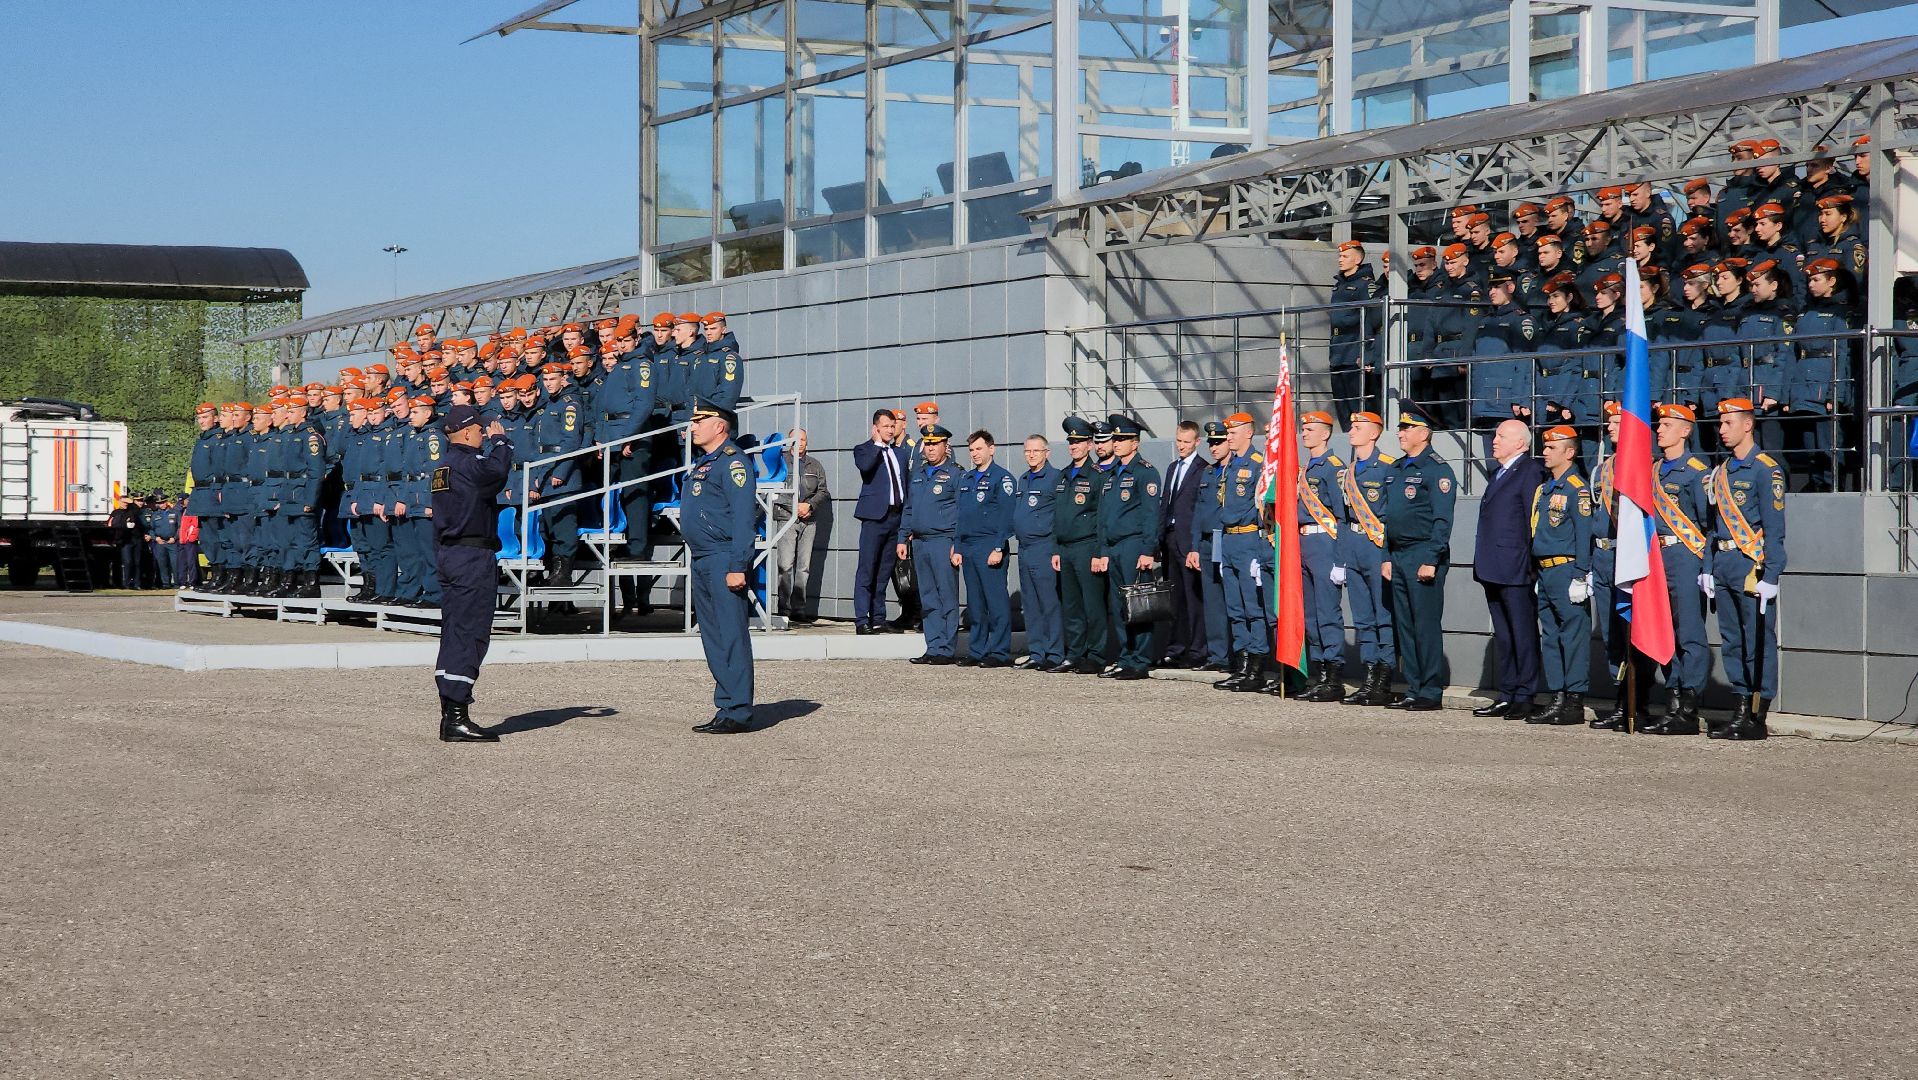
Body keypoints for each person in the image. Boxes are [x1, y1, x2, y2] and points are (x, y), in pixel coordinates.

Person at [429, 405, 516, 743]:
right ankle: (456, 717)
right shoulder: (467, 463)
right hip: (471, 556)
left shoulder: (443, 467)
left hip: (451, 553)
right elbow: (496, 473)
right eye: (480, 430)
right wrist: (502, 443)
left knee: (454, 632)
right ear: (466, 432)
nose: (484, 434)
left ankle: (450, 713)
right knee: (470, 633)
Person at [1703, 397, 1787, 741]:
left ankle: (1756, 714)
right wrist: (1709, 566)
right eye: (1720, 424)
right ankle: (1739, 706)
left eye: (1728, 423)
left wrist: (1772, 574)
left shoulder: (1766, 469)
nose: (1721, 430)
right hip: (1724, 562)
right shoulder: (1721, 472)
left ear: (1748, 425)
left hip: (1751, 565)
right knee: (1732, 640)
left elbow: (1775, 528)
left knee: (1757, 641)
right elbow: (1712, 526)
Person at [681, 400, 760, 734]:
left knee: (730, 635)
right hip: (702, 558)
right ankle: (726, 705)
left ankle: (738, 709)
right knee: (713, 636)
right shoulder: (705, 464)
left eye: (700, 420)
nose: (693, 426)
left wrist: (738, 564)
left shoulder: (733, 463)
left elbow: (744, 518)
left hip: (723, 557)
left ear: (720, 426)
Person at [1382, 403, 1456, 711]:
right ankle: (1414, 686)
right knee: (1405, 625)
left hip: (1422, 553)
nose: (1400, 432)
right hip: (1398, 555)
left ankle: (1430, 690)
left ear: (1424, 433)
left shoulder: (1437, 470)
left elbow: (1442, 521)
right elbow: (1390, 519)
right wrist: (1386, 555)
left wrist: (1431, 559)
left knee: (1424, 624)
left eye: (1407, 428)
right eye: (1400, 428)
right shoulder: (1397, 468)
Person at [1644, 403, 1712, 736]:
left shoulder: (1697, 471)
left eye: (1667, 425)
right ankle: (1672, 700)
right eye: (1659, 425)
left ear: (1685, 430)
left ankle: (1688, 705)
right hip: (1658, 557)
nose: (1659, 430)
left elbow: (1707, 525)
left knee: (1689, 632)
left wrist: (1706, 567)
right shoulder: (1655, 469)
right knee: (1665, 632)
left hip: (1686, 556)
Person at [1471, 419, 1545, 719]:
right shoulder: (1500, 472)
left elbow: (1533, 521)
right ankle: (1508, 691)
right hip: (1493, 566)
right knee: (1504, 634)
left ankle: (1525, 693)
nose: (1494, 440)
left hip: (1516, 568)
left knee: (1522, 633)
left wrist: (1531, 564)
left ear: (1521, 443)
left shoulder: (1529, 471)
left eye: (1501, 436)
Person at [1524, 425, 1595, 726]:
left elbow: (1583, 535)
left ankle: (1574, 700)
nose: (1545, 452)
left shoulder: (1576, 489)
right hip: (1546, 570)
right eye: (1545, 446)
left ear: (1570, 452)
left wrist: (1581, 574)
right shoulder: (1545, 488)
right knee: (1551, 636)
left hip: (1567, 570)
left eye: (1552, 448)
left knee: (1574, 636)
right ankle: (1557, 697)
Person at [1093, 415, 1162, 681]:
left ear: (1135, 443)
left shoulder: (1144, 472)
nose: (1117, 443)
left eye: (1122, 439)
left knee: (1138, 604)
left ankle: (1140, 659)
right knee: (1119, 606)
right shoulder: (1111, 474)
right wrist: (1101, 551)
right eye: (1116, 439)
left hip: (1134, 545)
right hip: (1112, 547)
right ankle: (1126, 656)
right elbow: (1102, 516)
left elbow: (1150, 515)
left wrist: (1148, 550)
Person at [1336, 411, 1396, 705]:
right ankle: (1369, 674)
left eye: (1358, 428)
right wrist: (1341, 557)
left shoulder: (1386, 467)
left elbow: (1392, 516)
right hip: (1354, 544)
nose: (1351, 432)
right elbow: (1342, 517)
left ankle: (1384, 676)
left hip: (1376, 545)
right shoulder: (1347, 471)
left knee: (1382, 614)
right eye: (1351, 427)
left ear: (1374, 433)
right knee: (1362, 617)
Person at [1214, 412, 1272, 692]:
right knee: (1235, 608)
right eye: (1228, 432)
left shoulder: (1258, 463)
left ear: (1248, 433)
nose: (1229, 437)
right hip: (1228, 540)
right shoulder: (1229, 465)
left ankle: (1257, 667)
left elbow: (1260, 505)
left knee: (1252, 607)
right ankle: (1242, 664)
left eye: (1233, 432)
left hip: (1248, 539)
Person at [1295, 411, 1349, 702]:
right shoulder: (1305, 468)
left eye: (1311, 429)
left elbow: (1341, 516)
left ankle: (1334, 675)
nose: (1305, 433)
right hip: (1304, 543)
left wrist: (1341, 559)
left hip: (1325, 543)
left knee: (1327, 612)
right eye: (1303, 429)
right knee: (1311, 614)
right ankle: (1319, 672)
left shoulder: (1333, 468)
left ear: (1326, 433)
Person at [899, 425, 962, 665]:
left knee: (946, 594)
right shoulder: (918, 473)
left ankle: (946, 649)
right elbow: (909, 508)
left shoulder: (956, 474)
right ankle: (933, 646)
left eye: (936, 444)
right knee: (928, 597)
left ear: (946, 446)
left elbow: (961, 512)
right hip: (921, 542)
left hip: (943, 541)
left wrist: (957, 544)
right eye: (928, 443)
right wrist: (902, 537)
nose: (931, 448)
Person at [1052, 417, 1110, 674]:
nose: (1073, 446)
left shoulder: (1097, 475)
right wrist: (1055, 547)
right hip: (1065, 548)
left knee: (1092, 605)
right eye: (1071, 442)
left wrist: (1099, 552)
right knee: (1071, 605)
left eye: (1078, 442)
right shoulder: (1064, 475)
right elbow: (1058, 515)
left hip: (1087, 547)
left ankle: (1096, 654)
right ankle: (1075, 653)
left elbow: (1101, 518)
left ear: (1089, 444)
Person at [954, 431, 1016, 666]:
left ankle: (999, 652)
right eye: (971, 450)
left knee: (996, 601)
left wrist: (998, 547)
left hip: (990, 545)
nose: (975, 454)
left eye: (979, 449)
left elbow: (1007, 516)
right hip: (969, 546)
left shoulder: (1003, 478)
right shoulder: (967, 479)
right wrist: (957, 546)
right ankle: (977, 651)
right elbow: (961, 516)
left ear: (992, 448)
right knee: (976, 604)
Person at [852, 409, 908, 634]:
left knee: (885, 571)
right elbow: (865, 468)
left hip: (895, 517)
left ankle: (878, 618)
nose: (890, 430)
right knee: (867, 569)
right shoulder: (864, 449)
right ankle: (861, 619)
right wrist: (877, 444)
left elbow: (906, 485)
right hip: (874, 518)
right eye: (885, 426)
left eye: (892, 426)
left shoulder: (900, 454)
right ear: (875, 428)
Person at [1157, 421, 1208, 668]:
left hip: (1189, 540)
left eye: (1187, 442)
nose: (1181, 446)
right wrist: (1159, 539)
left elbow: (1200, 508)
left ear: (1197, 442)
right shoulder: (1172, 468)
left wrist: (1195, 545)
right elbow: (1166, 504)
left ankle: (1197, 650)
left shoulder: (1203, 468)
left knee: (1193, 598)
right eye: (1179, 441)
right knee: (1174, 598)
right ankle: (1175, 649)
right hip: (1171, 538)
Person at [1012, 435, 1063, 671]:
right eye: (1027, 451)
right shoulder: (1023, 479)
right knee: (1030, 603)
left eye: (1036, 451)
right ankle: (1037, 651)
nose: (1031, 455)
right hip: (1024, 548)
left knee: (1048, 602)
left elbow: (1058, 518)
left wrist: (1055, 548)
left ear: (1047, 452)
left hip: (1043, 547)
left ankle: (1054, 653)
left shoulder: (1054, 478)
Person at [772, 427, 828, 623]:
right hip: (786, 517)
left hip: (809, 520)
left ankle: (799, 609)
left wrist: (809, 506)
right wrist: (795, 507)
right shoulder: (780, 463)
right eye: (796, 440)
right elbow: (775, 490)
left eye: (803, 439)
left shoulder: (815, 465)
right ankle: (784, 608)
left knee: (803, 567)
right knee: (785, 565)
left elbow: (823, 492)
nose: (800, 443)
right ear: (789, 442)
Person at [1190, 421, 1233, 673]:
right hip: (1207, 540)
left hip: (1227, 538)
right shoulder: (1208, 472)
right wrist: (1195, 545)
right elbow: (1198, 512)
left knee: (1234, 600)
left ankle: (1240, 655)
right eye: (1211, 443)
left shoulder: (1238, 470)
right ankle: (1218, 654)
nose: (1214, 448)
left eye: (1218, 442)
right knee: (1213, 601)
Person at [1329, 240, 1384, 421]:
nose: (1340, 260)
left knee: (1358, 407)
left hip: (1355, 349)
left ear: (1358, 259)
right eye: (1340, 256)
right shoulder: (1339, 284)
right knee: (1342, 403)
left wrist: (1366, 352)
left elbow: (1372, 320)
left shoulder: (1365, 285)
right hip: (1338, 350)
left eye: (1345, 256)